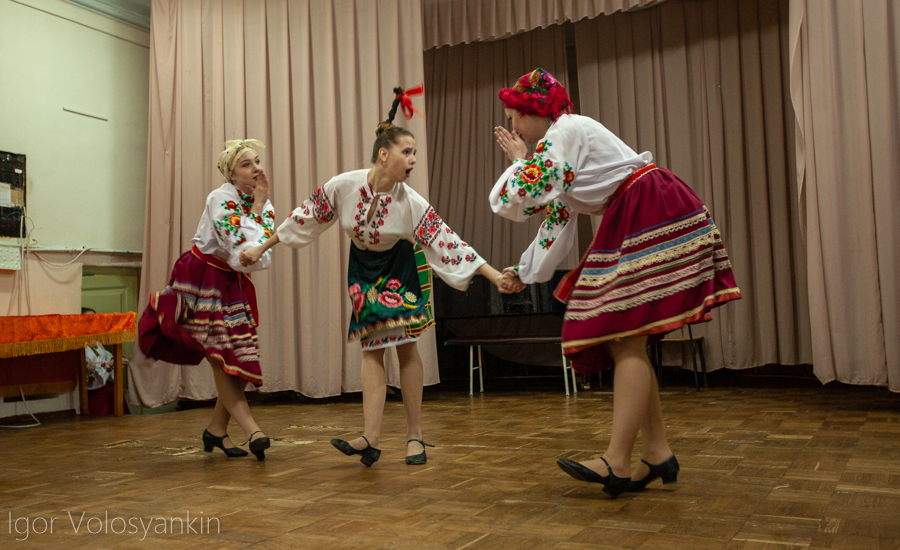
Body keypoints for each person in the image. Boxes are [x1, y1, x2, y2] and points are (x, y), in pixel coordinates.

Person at [490, 69, 741, 497]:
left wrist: (519, 162)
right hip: (641, 207)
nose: (513, 127)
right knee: (629, 339)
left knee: (621, 335)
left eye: (515, 116)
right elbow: (557, 217)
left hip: (647, 206)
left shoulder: (565, 129)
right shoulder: (559, 145)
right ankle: (657, 452)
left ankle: (617, 460)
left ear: (535, 111)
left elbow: (533, 189)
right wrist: (525, 270)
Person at [241, 87, 517, 467]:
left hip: (399, 268)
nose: (413, 159)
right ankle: (370, 436)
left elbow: (448, 241)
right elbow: (304, 217)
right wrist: (261, 247)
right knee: (371, 348)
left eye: (415, 153)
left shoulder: (411, 202)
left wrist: (491, 275)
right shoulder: (343, 186)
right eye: (407, 152)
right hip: (363, 268)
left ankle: (415, 436)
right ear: (384, 155)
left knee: (405, 346)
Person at [137, 139, 275, 461]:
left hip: (232, 281)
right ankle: (253, 429)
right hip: (203, 276)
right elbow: (241, 248)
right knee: (218, 355)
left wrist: (258, 209)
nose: (256, 168)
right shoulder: (220, 198)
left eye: (257, 161)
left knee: (236, 358)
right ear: (232, 174)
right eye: (247, 164)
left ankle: (216, 430)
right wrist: (256, 214)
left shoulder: (262, 204)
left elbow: (259, 258)